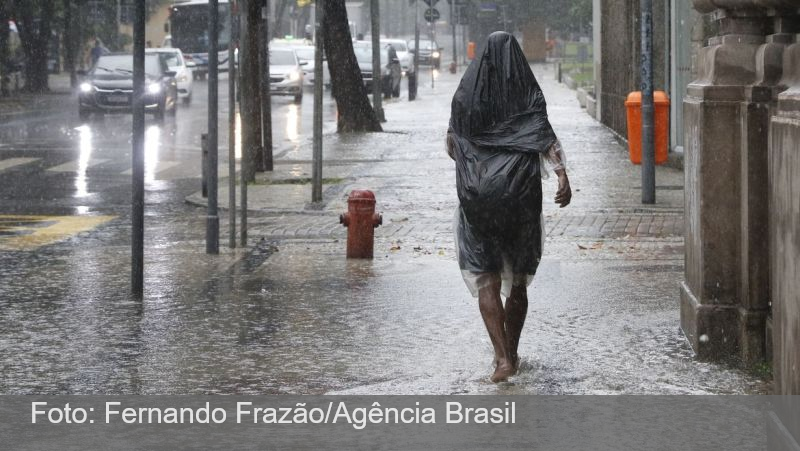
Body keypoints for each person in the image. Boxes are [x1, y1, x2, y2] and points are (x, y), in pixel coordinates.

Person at [446, 31, 572, 383]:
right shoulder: (527, 92)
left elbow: (452, 146)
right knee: (518, 281)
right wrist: (562, 176)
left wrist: (482, 165)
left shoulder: (466, 97)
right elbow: (546, 138)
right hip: (521, 200)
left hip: (479, 201)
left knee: (485, 278)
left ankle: (502, 360)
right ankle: (513, 351)